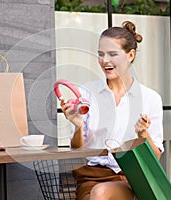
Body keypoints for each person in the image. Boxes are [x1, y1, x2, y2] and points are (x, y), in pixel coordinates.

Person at [60, 21, 164, 200]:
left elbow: (154, 158)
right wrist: (78, 125)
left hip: (131, 179)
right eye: (101, 54)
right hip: (91, 177)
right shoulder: (87, 94)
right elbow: (77, 151)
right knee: (96, 192)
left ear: (130, 55)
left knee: (101, 194)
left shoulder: (150, 98)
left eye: (112, 54)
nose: (105, 61)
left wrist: (142, 135)